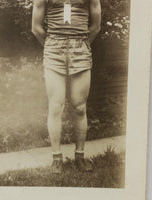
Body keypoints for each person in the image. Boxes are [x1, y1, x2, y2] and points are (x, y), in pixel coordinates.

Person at [32, 0, 101, 173]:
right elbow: (36, 28)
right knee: (55, 106)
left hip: (81, 49)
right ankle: (57, 158)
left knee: (79, 107)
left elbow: (96, 26)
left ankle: (80, 156)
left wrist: (80, 45)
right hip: (54, 49)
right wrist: (53, 46)